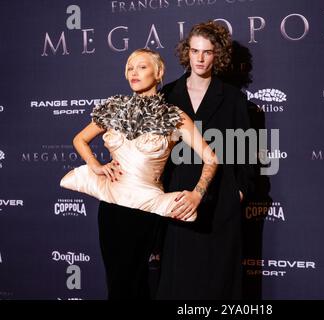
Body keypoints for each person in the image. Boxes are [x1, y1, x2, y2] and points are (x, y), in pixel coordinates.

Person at [60, 48, 218, 299]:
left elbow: (211, 158)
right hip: (111, 208)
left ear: (158, 73)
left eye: (142, 67)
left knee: (133, 280)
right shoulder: (113, 108)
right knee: (117, 282)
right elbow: (79, 139)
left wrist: (197, 194)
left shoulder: (173, 116)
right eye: (130, 68)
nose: (134, 72)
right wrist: (96, 165)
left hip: (145, 211)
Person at [157, 21, 254, 300]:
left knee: (218, 281)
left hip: (220, 197)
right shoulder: (167, 95)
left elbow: (247, 152)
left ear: (217, 55)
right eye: (195, 51)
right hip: (177, 197)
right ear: (186, 52)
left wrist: (239, 191)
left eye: (207, 52)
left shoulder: (233, 98)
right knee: (180, 279)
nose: (200, 58)